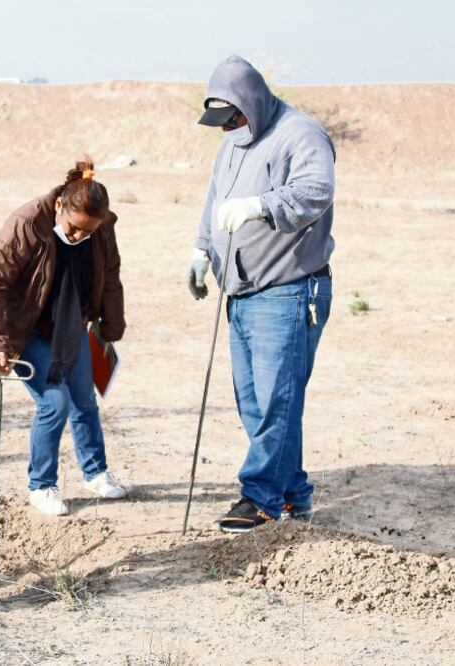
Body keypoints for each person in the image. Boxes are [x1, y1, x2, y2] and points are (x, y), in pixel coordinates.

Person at [187, 55, 335, 533]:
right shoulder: (232, 142)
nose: (229, 126)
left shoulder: (300, 134)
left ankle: (261, 498)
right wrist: (201, 250)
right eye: (221, 120)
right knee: (256, 402)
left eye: (234, 115)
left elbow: (316, 190)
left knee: (276, 401)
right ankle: (293, 495)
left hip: (288, 291)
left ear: (252, 101)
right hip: (242, 292)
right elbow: (214, 199)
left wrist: (260, 207)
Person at [0, 159, 127, 517]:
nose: (77, 237)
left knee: (85, 400)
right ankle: (42, 486)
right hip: (29, 330)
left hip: (73, 325)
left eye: (86, 232)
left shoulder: (101, 227)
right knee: (55, 403)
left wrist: (111, 327)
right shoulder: (25, 224)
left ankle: (95, 472)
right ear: (60, 206)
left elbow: (111, 277)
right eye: (73, 228)